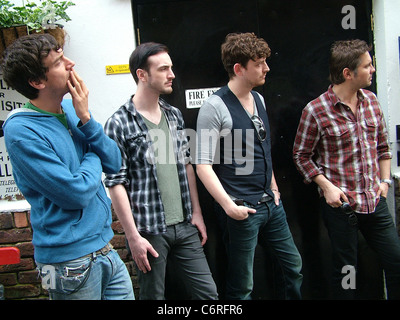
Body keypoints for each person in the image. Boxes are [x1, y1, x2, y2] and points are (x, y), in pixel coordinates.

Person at [1, 34, 134, 300]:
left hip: (105, 249)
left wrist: (85, 117)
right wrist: (93, 153)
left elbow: (115, 161)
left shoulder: (71, 108)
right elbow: (75, 193)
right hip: (66, 263)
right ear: (37, 81)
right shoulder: (21, 129)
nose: (71, 64)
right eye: (60, 62)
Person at [104, 42, 218, 300]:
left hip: (186, 226)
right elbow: (115, 182)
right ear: (142, 75)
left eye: (171, 67)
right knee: (153, 297)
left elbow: (186, 165)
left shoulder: (174, 115)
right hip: (149, 231)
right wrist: (132, 237)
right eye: (164, 69)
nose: (172, 75)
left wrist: (197, 214)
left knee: (209, 296)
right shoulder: (118, 123)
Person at [196, 32, 303, 300]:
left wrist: (275, 189)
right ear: (238, 69)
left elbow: (263, 150)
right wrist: (229, 206)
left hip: (270, 204)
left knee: (293, 267)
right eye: (259, 63)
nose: (266, 68)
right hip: (241, 208)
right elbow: (202, 165)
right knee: (242, 285)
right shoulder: (214, 107)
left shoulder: (259, 100)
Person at [293, 39, 400, 299]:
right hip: (342, 208)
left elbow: (383, 147)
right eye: (367, 65)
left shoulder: (371, 102)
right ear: (347, 73)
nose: (372, 69)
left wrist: (384, 183)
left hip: (375, 202)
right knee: (347, 273)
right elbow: (301, 155)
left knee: (396, 263)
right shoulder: (316, 110)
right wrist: (327, 187)